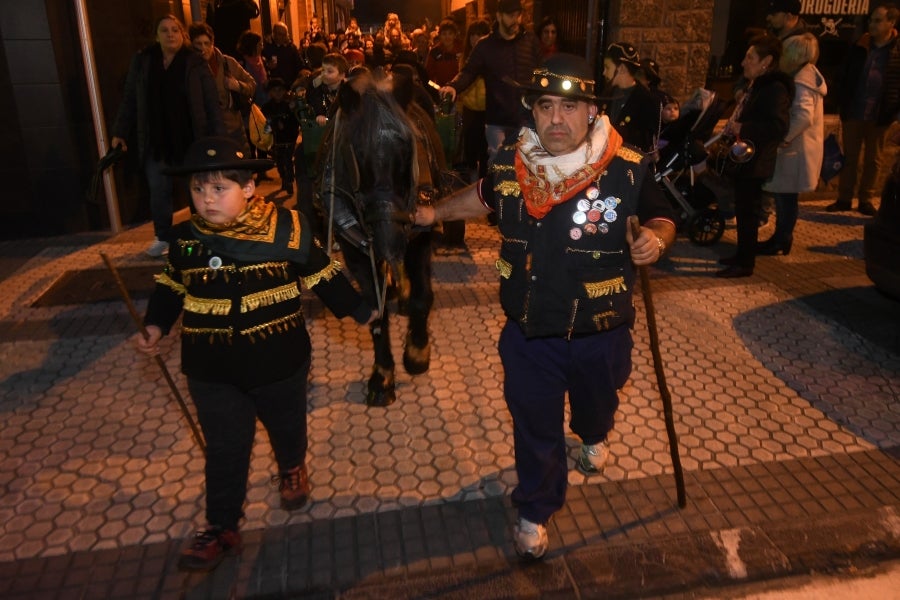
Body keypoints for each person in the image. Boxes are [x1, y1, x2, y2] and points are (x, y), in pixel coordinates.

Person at [414, 53, 676, 559]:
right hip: (530, 331)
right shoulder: (512, 165)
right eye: (546, 106)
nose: (557, 119)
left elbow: (662, 216)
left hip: (601, 329)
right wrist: (434, 213)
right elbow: (484, 198)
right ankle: (536, 506)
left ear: (593, 112)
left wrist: (655, 241)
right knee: (534, 422)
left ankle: (594, 431)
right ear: (532, 112)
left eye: (571, 106)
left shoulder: (627, 169)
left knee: (597, 402)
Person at [134, 136, 375, 572]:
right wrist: (155, 324)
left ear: (247, 189)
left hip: (278, 362)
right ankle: (221, 524)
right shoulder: (186, 239)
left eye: (218, 189)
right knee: (226, 447)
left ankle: (291, 468)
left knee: (286, 427)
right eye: (197, 190)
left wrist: (361, 311)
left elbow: (323, 274)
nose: (206, 199)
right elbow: (171, 286)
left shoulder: (288, 229)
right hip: (212, 368)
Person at [111, 14, 224, 258]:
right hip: (156, 141)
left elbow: (211, 102)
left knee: (198, 191)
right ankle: (162, 237)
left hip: (191, 140)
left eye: (175, 30)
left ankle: (203, 235)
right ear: (156, 35)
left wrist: (218, 138)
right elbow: (130, 98)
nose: (170, 34)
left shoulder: (194, 62)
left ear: (183, 35)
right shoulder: (144, 61)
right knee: (159, 192)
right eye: (164, 30)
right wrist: (120, 132)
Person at [717, 34, 792, 278]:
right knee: (744, 210)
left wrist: (743, 128)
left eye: (750, 57)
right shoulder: (758, 86)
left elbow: (778, 127)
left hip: (756, 160)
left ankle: (746, 263)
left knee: (748, 213)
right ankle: (741, 255)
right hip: (748, 158)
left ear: (766, 61)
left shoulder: (774, 89)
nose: (743, 62)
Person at [439, 0, 542, 161]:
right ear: (499, 16)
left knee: (527, 165)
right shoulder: (485, 46)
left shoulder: (530, 41)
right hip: (497, 121)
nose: (516, 20)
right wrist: (453, 87)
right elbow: (468, 72)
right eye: (511, 16)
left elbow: (543, 71)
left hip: (526, 119)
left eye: (518, 15)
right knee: (499, 163)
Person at [828, 3, 900, 216]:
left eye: (878, 20)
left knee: (873, 159)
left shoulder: (896, 50)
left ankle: (866, 199)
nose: (872, 24)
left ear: (891, 23)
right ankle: (844, 198)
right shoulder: (861, 45)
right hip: (854, 111)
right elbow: (845, 74)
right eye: (871, 20)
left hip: (880, 114)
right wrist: (841, 100)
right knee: (850, 158)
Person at [760, 33, 827, 256]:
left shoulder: (802, 82)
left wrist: (784, 138)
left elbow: (803, 116)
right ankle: (782, 238)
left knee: (786, 197)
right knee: (785, 197)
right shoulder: (806, 77)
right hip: (798, 149)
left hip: (796, 150)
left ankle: (781, 239)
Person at [189, 22, 256, 152]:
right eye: (198, 44)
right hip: (209, 133)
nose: (203, 48)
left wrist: (237, 85)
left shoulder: (227, 63)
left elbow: (252, 85)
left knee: (241, 167)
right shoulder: (191, 69)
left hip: (234, 130)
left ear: (212, 43)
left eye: (206, 43)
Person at [600, 42, 662, 155]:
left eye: (607, 67)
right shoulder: (607, 93)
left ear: (622, 69)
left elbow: (647, 143)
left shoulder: (647, 101)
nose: (604, 72)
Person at [261, 78, 300, 195]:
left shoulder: (289, 105)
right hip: (276, 140)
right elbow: (265, 123)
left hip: (289, 137)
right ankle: (284, 177)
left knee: (288, 160)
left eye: (280, 90)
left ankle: (289, 180)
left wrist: (288, 124)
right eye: (275, 90)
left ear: (284, 91)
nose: (278, 93)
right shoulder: (267, 107)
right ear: (270, 92)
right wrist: (272, 127)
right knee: (279, 162)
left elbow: (296, 121)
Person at [425, 19, 462, 87]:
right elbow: (427, 78)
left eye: (450, 33)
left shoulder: (462, 49)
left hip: (461, 91)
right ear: (440, 36)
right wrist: (437, 88)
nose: (447, 37)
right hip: (441, 92)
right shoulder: (434, 52)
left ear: (455, 35)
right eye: (444, 34)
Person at [262, 22, 302, 87]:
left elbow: (299, 64)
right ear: (274, 34)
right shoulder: (267, 48)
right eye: (280, 34)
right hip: (275, 86)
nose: (283, 37)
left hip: (290, 84)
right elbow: (262, 66)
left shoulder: (291, 48)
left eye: (285, 34)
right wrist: (267, 65)